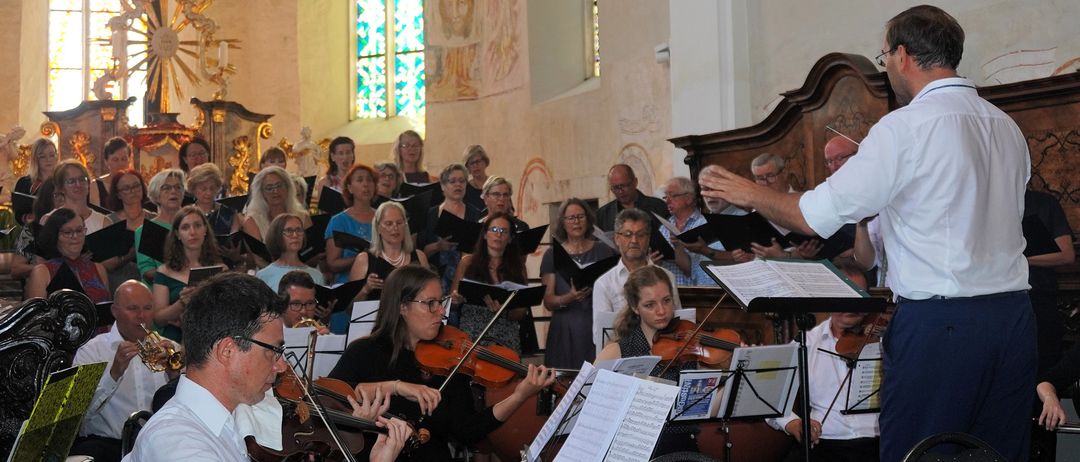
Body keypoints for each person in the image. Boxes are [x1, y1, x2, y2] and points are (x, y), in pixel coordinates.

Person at [699, 6, 1034, 460]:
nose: (888, 67)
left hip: (942, 326)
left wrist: (744, 190)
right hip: (1013, 319)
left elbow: (814, 218)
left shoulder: (906, 126)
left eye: (884, 57)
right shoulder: (1006, 126)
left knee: (918, 451)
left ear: (902, 55)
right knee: (996, 453)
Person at [126, 272, 415, 462]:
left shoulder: (232, 416)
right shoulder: (177, 444)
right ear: (227, 351)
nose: (282, 365)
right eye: (274, 351)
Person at [328, 265, 556, 462]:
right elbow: (330, 396)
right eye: (430, 304)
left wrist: (519, 395)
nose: (441, 313)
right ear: (402, 307)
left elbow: (468, 431)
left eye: (441, 302)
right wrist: (397, 386)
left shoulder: (447, 361)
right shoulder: (365, 351)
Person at [765, 262, 879, 462]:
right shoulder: (807, 342)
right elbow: (769, 396)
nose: (853, 305)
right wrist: (792, 423)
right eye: (845, 296)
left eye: (859, 296)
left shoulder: (882, 341)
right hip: (826, 444)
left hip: (879, 443)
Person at [595, 265, 697, 456]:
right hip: (633, 450)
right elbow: (593, 407)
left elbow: (701, 406)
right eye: (650, 305)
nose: (661, 311)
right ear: (635, 307)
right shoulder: (616, 351)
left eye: (666, 301)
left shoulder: (688, 345)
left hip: (683, 447)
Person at [70, 281, 171, 462]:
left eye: (147, 308)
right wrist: (113, 374)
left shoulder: (169, 347)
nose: (141, 316)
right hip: (107, 447)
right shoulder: (91, 352)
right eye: (132, 308)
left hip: (159, 445)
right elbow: (77, 415)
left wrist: (175, 377)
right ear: (115, 312)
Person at [540, 198, 615, 368]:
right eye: (571, 218)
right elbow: (548, 301)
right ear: (562, 222)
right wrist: (569, 297)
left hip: (594, 324)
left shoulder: (603, 250)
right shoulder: (552, 254)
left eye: (581, 217)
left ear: (588, 220)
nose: (576, 222)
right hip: (564, 328)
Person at [592, 209, 681, 348]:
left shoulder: (667, 277)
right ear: (617, 239)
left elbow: (678, 321)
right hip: (622, 356)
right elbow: (600, 336)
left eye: (640, 235)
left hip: (665, 351)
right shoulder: (604, 284)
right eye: (628, 235)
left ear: (648, 238)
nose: (634, 240)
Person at [450, 213, 530, 354]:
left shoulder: (518, 267)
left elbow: (521, 312)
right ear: (485, 234)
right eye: (493, 230)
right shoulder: (467, 262)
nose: (498, 235)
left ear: (510, 238)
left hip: (505, 339)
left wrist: (503, 311)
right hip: (472, 337)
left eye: (503, 231)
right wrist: (456, 299)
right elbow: (452, 302)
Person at [152, 206, 227, 342]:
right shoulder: (164, 271)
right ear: (177, 234)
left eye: (197, 225)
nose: (193, 232)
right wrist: (181, 304)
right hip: (175, 342)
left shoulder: (221, 270)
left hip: (211, 339)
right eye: (185, 227)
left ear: (205, 230)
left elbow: (227, 311)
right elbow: (158, 319)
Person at [418, 163, 483, 296]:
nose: (458, 185)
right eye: (452, 181)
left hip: (467, 279)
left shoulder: (475, 214)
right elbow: (420, 252)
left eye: (461, 181)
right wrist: (438, 246)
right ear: (442, 186)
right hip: (436, 279)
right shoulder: (430, 215)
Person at [25, 207, 110, 303]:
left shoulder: (99, 269)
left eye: (79, 231)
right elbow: (36, 315)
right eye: (67, 232)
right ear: (55, 235)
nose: (75, 237)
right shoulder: (42, 272)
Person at [746, 153, 822, 259]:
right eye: (760, 178)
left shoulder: (803, 202)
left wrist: (790, 255)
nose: (765, 183)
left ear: (784, 173)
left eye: (770, 176)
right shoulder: (756, 210)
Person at [349, 201, 429, 302]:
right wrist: (366, 289)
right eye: (389, 223)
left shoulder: (420, 256)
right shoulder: (363, 260)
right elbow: (350, 308)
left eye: (399, 223)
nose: (395, 228)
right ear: (378, 228)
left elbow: (430, 295)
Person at [325, 164, 377, 284]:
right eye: (359, 180)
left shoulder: (383, 217)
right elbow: (333, 263)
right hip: (348, 284)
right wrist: (364, 258)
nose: (366, 184)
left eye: (369, 180)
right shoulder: (338, 221)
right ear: (350, 188)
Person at [104, 169, 154, 290]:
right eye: (126, 188)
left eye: (136, 186)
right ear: (118, 194)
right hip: (119, 282)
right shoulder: (109, 221)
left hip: (150, 283)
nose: (133, 191)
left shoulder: (154, 218)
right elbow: (107, 264)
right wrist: (131, 253)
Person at [658, 176, 713, 285]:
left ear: (689, 198)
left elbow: (699, 268)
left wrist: (678, 247)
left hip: (697, 293)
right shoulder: (663, 227)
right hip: (670, 292)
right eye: (665, 197)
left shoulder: (704, 225)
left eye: (673, 196)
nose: (667, 201)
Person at [135, 169, 186, 283]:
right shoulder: (145, 231)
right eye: (166, 188)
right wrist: (180, 274)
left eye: (178, 187)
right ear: (156, 195)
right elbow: (147, 271)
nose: (173, 191)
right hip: (159, 290)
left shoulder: (193, 225)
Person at [256, 213, 325, 291]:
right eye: (289, 231)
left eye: (299, 230)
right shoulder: (263, 275)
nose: (295, 235)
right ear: (277, 235)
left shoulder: (316, 275)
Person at [11, 180, 63, 279]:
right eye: (57, 196)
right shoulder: (32, 229)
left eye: (65, 196)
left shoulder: (78, 225)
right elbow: (16, 269)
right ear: (47, 200)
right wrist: (46, 267)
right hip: (42, 284)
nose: (62, 201)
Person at [243, 166, 310, 242]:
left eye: (279, 185)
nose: (275, 191)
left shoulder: (302, 216)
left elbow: (311, 249)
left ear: (288, 187)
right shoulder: (252, 221)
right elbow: (256, 253)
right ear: (261, 193)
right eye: (269, 188)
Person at [594, 164, 668, 232]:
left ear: (635, 182)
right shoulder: (602, 214)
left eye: (624, 186)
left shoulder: (658, 206)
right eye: (616, 188)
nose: (620, 191)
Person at [51, 159, 112, 233]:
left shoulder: (104, 223)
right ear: (61, 187)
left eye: (82, 179)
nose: (78, 185)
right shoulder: (49, 220)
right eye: (71, 181)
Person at [188, 163, 242, 236]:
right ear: (193, 189)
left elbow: (234, 242)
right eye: (203, 189)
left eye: (212, 188)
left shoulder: (229, 214)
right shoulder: (186, 214)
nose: (208, 193)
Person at [13, 138, 58, 225]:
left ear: (57, 156)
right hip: (34, 230)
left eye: (51, 155)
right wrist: (29, 218)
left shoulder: (64, 181)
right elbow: (18, 213)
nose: (48, 159)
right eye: (42, 156)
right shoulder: (24, 183)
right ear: (35, 159)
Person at [312, 136, 355, 207]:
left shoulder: (361, 179)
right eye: (341, 153)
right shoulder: (325, 182)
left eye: (348, 152)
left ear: (353, 155)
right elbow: (325, 210)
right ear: (333, 156)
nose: (345, 157)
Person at [92, 137, 132, 209]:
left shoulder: (137, 184)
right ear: (106, 162)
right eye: (115, 160)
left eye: (124, 159)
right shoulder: (96, 186)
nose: (120, 163)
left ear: (129, 160)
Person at [462, 145, 489, 211]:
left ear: (485, 162)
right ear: (467, 167)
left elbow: (509, 211)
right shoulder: (464, 189)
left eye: (478, 161)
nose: (475, 166)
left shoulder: (496, 185)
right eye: (471, 163)